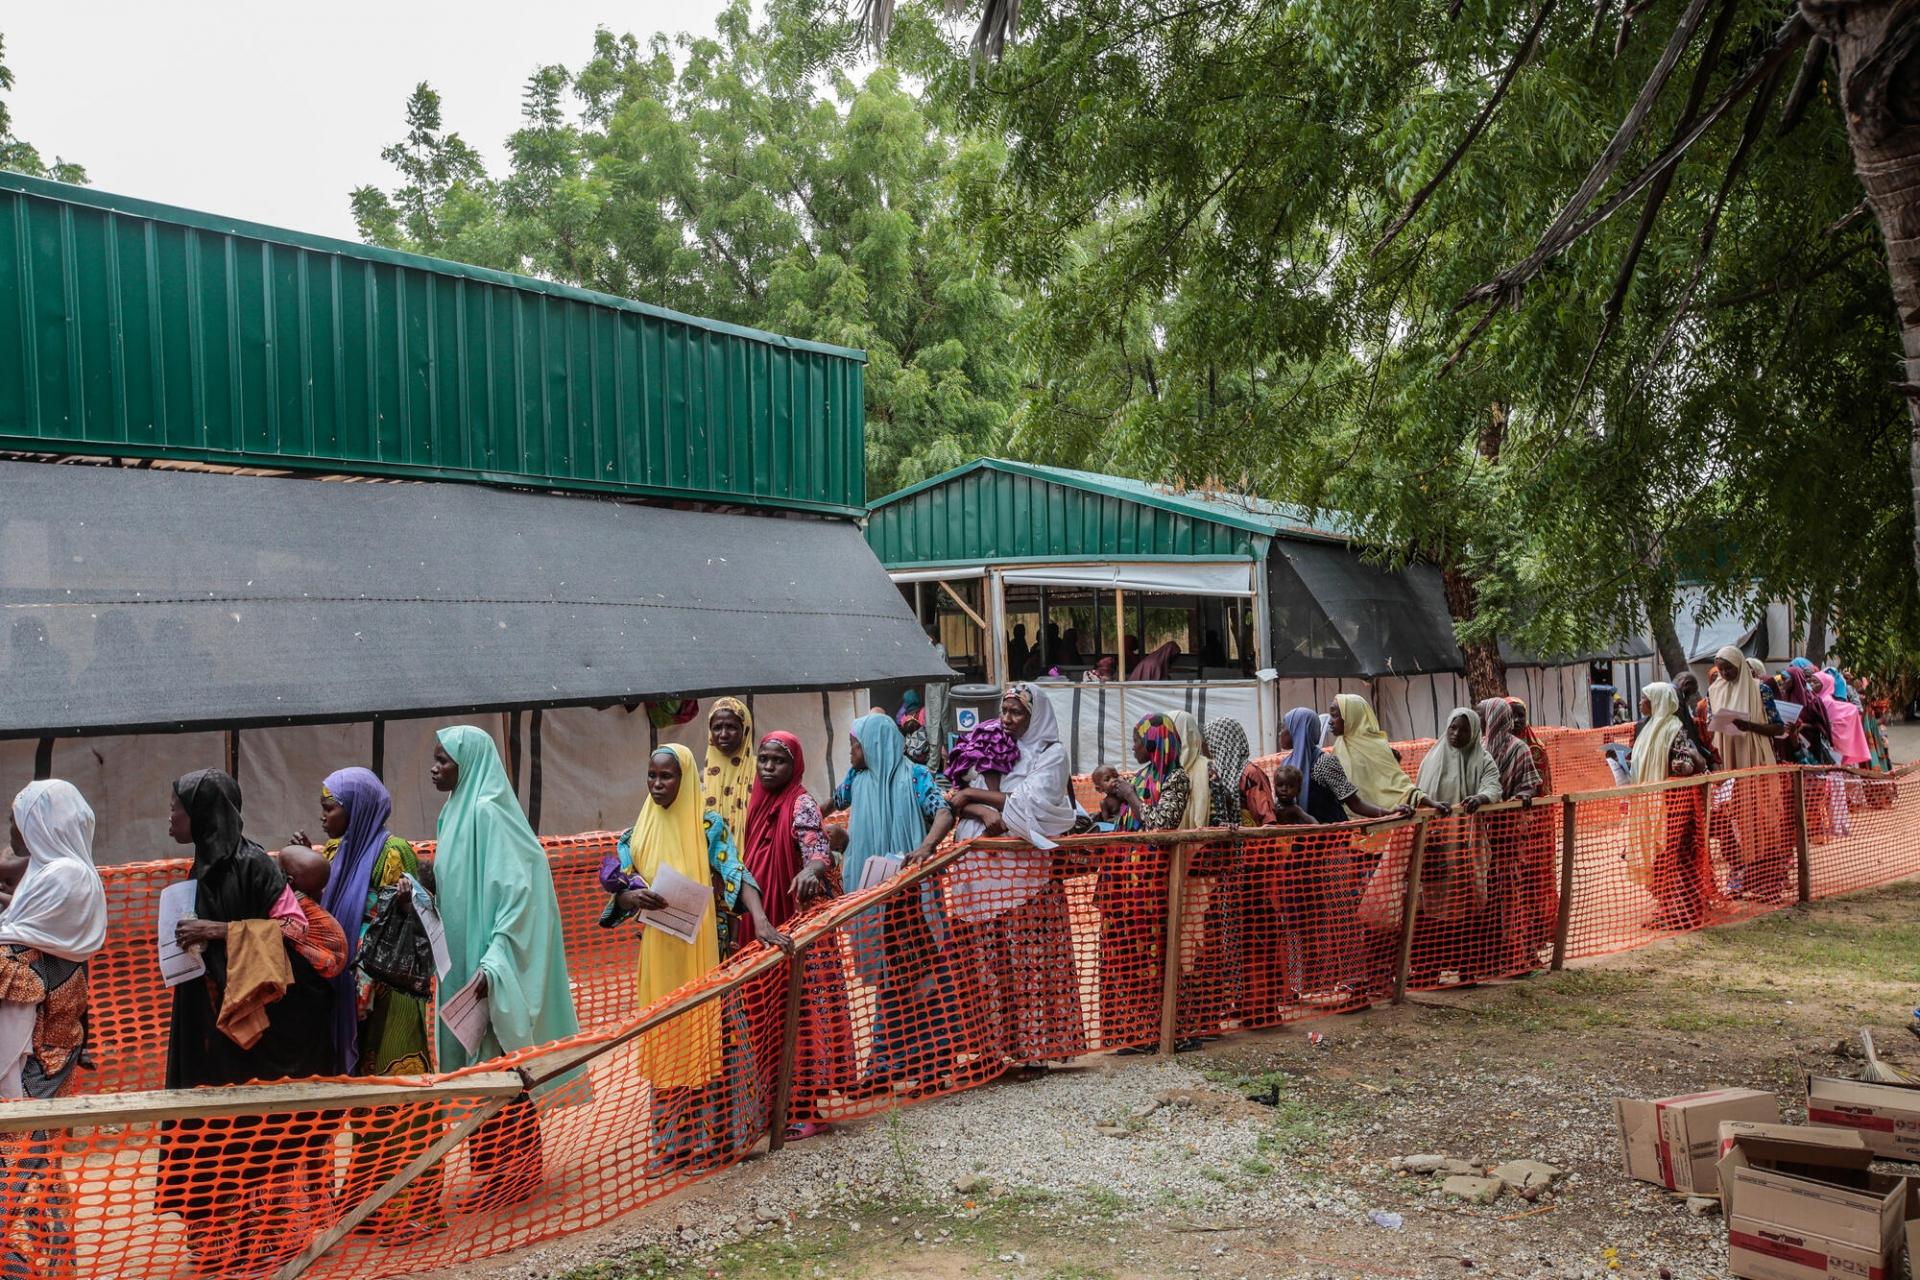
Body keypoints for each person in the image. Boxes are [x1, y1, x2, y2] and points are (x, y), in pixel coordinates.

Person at [158, 769, 341, 1270]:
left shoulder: (255, 864)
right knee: (213, 1131)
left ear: (200, 814)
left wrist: (216, 931)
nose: (169, 817)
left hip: (258, 1030)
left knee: (252, 1133)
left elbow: (294, 930)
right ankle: (221, 1245)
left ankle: (269, 1241)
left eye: (176, 808)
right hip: (210, 1027)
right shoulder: (201, 866)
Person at [608, 744, 786, 1171]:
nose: (656, 784)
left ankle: (714, 1142)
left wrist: (759, 919)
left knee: (707, 1042)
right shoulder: (636, 833)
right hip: (659, 957)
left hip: (704, 957)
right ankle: (671, 1144)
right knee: (665, 1040)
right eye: (651, 775)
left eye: (666, 776)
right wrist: (632, 895)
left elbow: (735, 872)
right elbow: (618, 886)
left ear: (684, 778)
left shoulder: (707, 827)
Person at [429, 726, 580, 1211]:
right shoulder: (452, 813)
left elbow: (523, 886)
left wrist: (496, 958)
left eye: (443, 760)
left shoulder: (489, 813)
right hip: (461, 964)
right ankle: (493, 1173)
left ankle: (516, 1174)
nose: (435, 768)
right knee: (480, 1071)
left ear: (468, 763)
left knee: (501, 1068)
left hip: (488, 966)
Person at [296, 766, 441, 1240]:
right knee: (366, 1102)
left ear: (356, 809)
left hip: (390, 995)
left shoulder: (391, 852)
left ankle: (408, 1208)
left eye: (330, 806)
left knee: (399, 1094)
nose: (323, 815)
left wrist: (404, 902)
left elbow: (393, 920)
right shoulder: (337, 851)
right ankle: (367, 1203)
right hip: (352, 996)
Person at [945, 684, 1086, 1068]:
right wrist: (981, 808)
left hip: (1026, 880)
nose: (1007, 719)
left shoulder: (1051, 754)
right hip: (981, 877)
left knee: (1029, 963)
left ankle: (1036, 1053)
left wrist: (976, 797)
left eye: (1016, 713)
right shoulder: (989, 742)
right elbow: (956, 795)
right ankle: (992, 1051)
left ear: (1034, 714)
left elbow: (1032, 803)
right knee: (988, 963)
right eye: (1004, 711)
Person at [829, 713, 966, 1098]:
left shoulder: (916, 776)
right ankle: (890, 1066)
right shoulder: (857, 780)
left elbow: (944, 810)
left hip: (911, 899)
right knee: (891, 980)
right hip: (873, 896)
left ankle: (931, 1066)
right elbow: (828, 804)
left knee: (922, 977)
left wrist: (925, 848)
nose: (852, 751)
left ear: (873, 745)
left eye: (855, 745)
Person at [0, 781, 105, 1280]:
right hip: (41, 1038)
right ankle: (48, 1258)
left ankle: (27, 1258)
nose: (12, 830)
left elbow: (16, 956)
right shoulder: (53, 870)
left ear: (42, 823)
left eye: (17, 819)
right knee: (33, 1153)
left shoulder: (64, 876)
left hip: (37, 1046)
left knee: (24, 1151)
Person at [738, 731, 849, 1141]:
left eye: (778, 761)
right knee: (763, 1016)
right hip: (757, 923)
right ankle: (771, 1105)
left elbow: (817, 847)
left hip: (795, 926)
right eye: (763, 759)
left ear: (795, 765)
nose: (768, 767)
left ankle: (808, 1107)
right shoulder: (750, 802)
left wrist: (812, 869)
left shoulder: (801, 802)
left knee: (800, 1017)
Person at [1098, 715, 1188, 1051]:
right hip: (1123, 882)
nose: (1133, 747)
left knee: (1150, 956)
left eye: (1137, 741)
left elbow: (1160, 825)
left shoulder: (1176, 779)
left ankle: (1155, 1032)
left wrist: (1131, 797)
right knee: (1123, 955)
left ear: (1153, 744)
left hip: (1150, 885)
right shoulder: (1141, 776)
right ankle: (1129, 1030)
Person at [1407, 709, 1503, 986]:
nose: (1456, 734)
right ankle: (1427, 971)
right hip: (1435, 848)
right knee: (1430, 910)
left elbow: (1493, 785)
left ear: (1473, 731)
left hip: (1466, 848)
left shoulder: (1483, 760)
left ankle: (1465, 969)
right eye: (1452, 728)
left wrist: (1481, 796)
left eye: (1462, 729)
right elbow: (1417, 792)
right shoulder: (1432, 758)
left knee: (1465, 908)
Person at [1706, 649, 1792, 900]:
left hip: (1757, 759)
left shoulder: (1760, 690)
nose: (1724, 674)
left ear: (1740, 665)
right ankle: (1745, 879)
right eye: (1721, 669)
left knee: (1765, 821)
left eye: (1729, 668)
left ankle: (1769, 885)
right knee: (1738, 825)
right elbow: (1713, 721)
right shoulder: (1714, 691)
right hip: (1731, 762)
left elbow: (1777, 728)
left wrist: (1748, 726)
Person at [1473, 698, 1550, 979]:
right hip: (1479, 834)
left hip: (1508, 833)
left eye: (1482, 716)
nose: (1479, 720)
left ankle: (1515, 956)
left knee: (1509, 893)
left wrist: (1521, 798)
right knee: (1482, 894)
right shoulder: (1477, 746)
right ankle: (1484, 959)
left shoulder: (1520, 748)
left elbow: (1531, 785)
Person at [1626, 684, 1713, 930]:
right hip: (1647, 802)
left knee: (1674, 857)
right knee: (1658, 858)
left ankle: (1683, 912)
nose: (1641, 703)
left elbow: (1687, 761)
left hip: (1670, 805)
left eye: (1645, 699)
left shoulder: (1676, 729)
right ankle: (1667, 909)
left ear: (1657, 701)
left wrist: (1683, 766)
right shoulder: (1645, 728)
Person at [1330, 695, 1417, 812]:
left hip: (1378, 820)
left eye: (1335, 715)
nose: (1330, 722)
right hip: (1349, 822)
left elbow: (1398, 784)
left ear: (1351, 717)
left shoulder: (1378, 748)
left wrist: (1425, 800)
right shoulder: (1339, 748)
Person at [702, 698, 756, 855]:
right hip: (710, 867)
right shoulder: (701, 779)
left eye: (731, 727)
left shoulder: (761, 773)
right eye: (717, 728)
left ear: (745, 729)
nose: (723, 734)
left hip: (752, 863)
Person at [1203, 719, 1279, 826]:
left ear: (1220, 743)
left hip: (1251, 839)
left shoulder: (1250, 773)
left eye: (1209, 741)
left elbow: (1266, 816)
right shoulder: (1217, 772)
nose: (1207, 747)